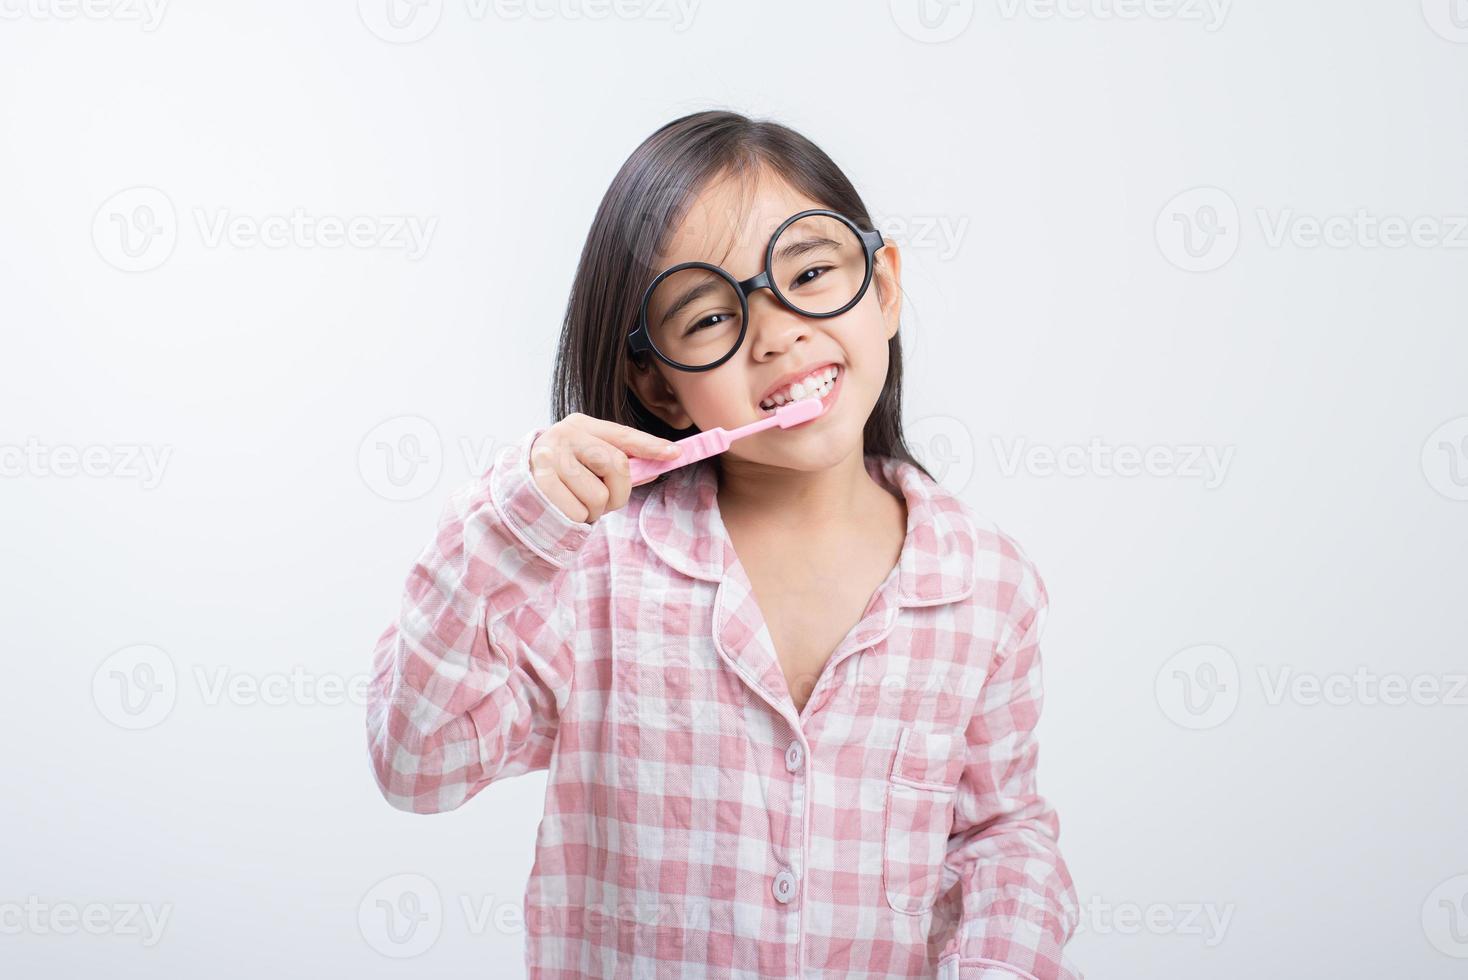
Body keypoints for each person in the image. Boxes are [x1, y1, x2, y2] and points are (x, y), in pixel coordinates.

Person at [366, 109, 1082, 979]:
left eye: (811, 272)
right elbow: (417, 762)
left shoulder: (985, 585)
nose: (777, 334)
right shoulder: (594, 573)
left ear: (885, 288)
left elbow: (1000, 835)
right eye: (709, 319)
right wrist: (510, 523)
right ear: (659, 389)